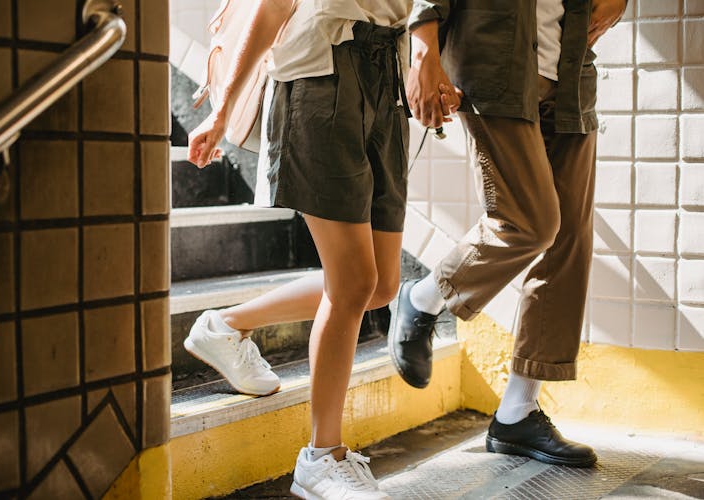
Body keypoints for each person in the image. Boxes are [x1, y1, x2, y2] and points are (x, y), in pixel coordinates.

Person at [186, 1, 417, 497]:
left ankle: (225, 325)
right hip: (323, 76)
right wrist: (222, 109)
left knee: (380, 285)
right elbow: (273, 7)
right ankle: (320, 457)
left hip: (388, 81)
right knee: (355, 282)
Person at [389, 0, 627, 468]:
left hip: (571, 70)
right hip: (495, 63)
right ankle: (423, 298)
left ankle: (518, 411)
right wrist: (423, 52)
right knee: (528, 223)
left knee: (568, 242)